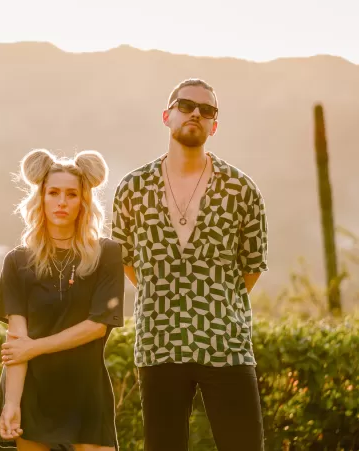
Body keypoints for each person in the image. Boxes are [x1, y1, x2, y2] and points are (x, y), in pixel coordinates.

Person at [111, 78, 269, 451]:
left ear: (215, 125)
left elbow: (253, 264)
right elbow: (126, 259)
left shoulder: (241, 189)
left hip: (225, 341)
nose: (196, 113)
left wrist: (215, 301)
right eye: (186, 105)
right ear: (167, 116)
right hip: (159, 340)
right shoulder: (133, 188)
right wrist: (165, 291)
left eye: (207, 110)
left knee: (244, 444)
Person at [0, 148, 124, 451]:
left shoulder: (107, 254)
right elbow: (17, 340)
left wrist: (35, 347)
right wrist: (12, 403)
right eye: (53, 192)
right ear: (40, 197)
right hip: (33, 392)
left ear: (84, 202)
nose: (62, 202)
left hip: (87, 390)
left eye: (71, 194)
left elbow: (97, 326)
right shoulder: (17, 261)